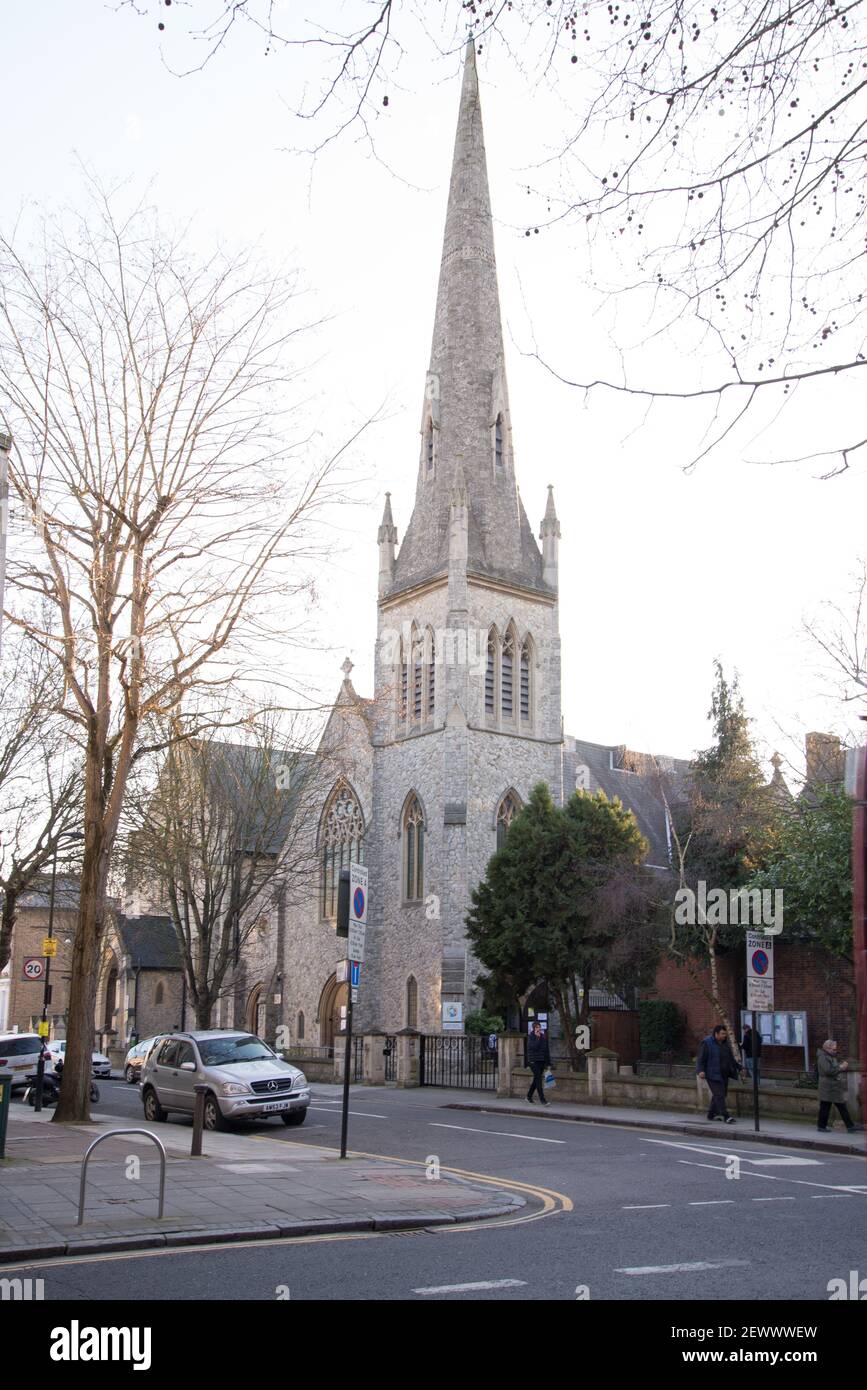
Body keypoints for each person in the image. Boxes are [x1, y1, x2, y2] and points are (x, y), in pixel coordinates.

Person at [696, 1023, 739, 1124]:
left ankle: (711, 1114)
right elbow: (701, 1058)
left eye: (725, 1034)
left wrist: (739, 1067)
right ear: (716, 1034)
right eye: (722, 1034)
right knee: (719, 1094)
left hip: (723, 1074)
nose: (725, 1036)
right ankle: (725, 1116)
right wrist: (700, 1070)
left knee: (720, 1095)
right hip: (712, 1074)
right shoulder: (707, 1043)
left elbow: (730, 1059)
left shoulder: (724, 1044)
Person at [816, 1039, 860, 1133]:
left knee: (839, 1105)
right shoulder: (823, 1057)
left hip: (833, 1086)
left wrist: (840, 1067)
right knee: (827, 1106)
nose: (835, 1051)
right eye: (834, 1049)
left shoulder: (830, 1056)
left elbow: (833, 1069)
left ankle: (849, 1126)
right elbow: (828, 1071)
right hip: (827, 1086)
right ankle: (822, 1126)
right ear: (827, 1048)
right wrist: (841, 1067)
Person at [526, 1022, 551, 1106]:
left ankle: (529, 1096)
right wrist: (537, 1038)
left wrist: (548, 1063)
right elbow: (534, 1047)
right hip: (533, 1061)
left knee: (536, 1080)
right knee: (539, 1079)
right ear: (533, 1029)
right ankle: (543, 1100)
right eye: (537, 1027)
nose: (538, 1029)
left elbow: (546, 1050)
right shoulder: (531, 1037)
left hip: (541, 1061)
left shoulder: (543, 1037)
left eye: (539, 1027)